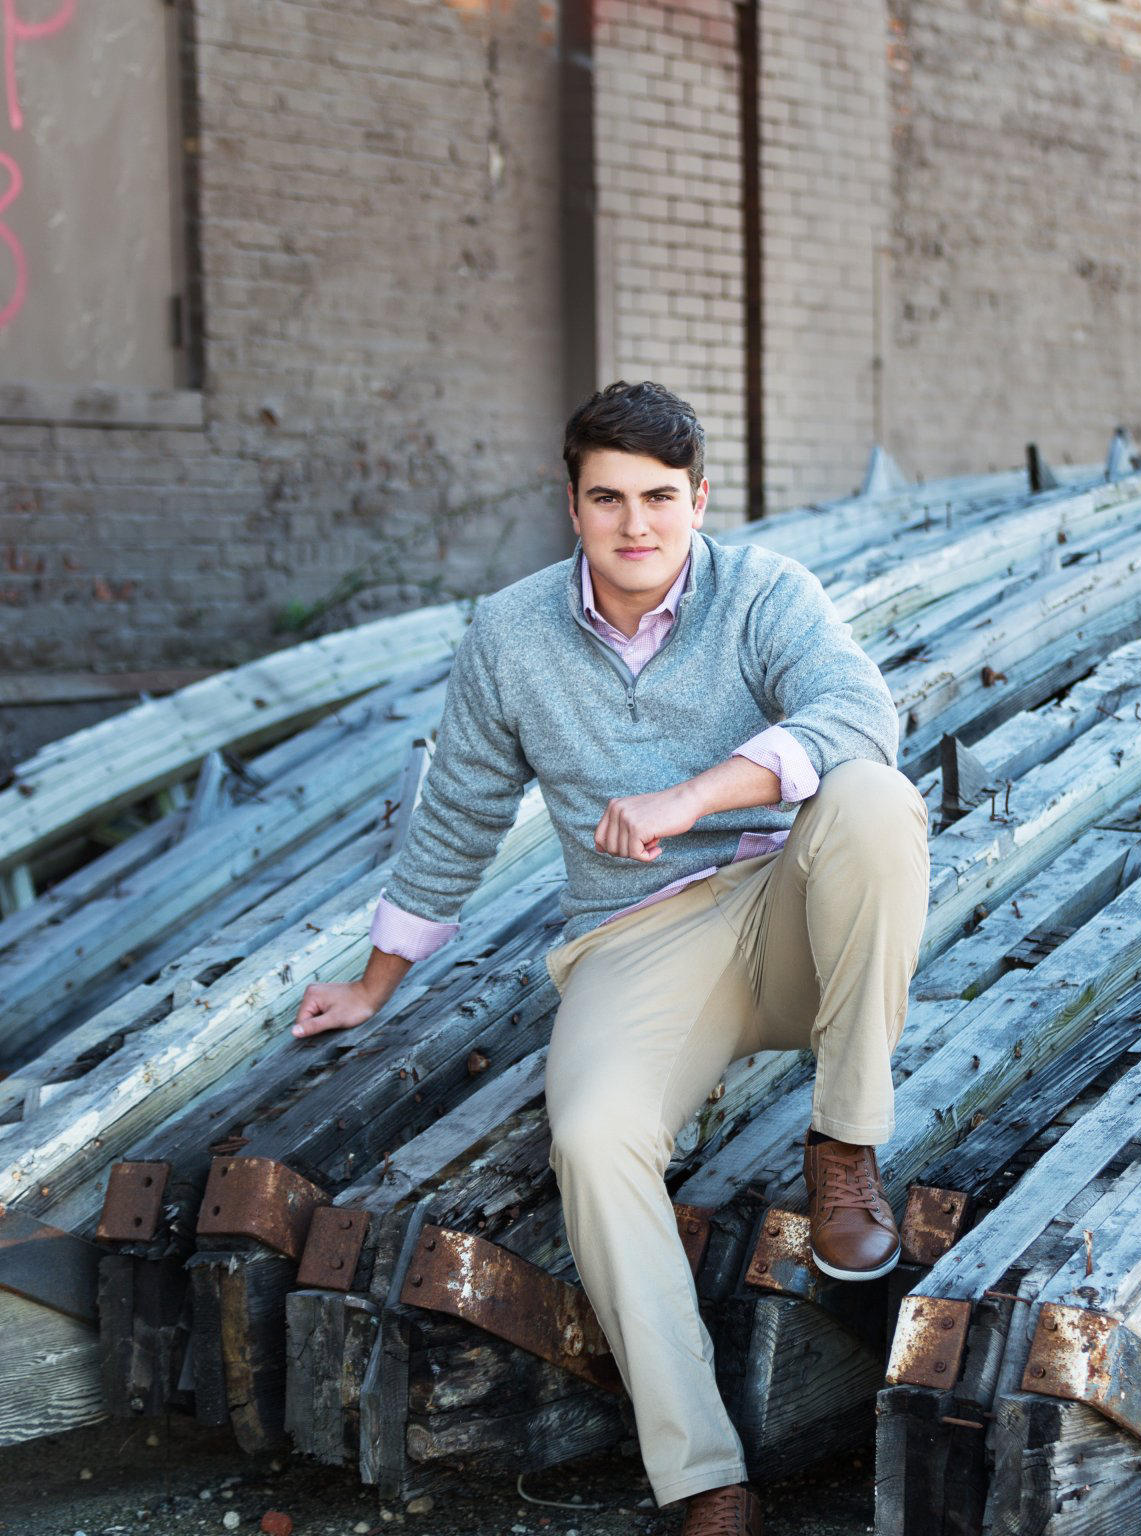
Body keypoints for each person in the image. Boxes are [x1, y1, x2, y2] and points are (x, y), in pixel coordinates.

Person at [290, 380, 931, 1536]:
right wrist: (376, 981)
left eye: (659, 498)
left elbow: (856, 716)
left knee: (876, 801)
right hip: (635, 939)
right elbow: (459, 812)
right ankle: (708, 1479)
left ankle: (844, 1146)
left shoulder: (763, 593)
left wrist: (692, 796)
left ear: (699, 500)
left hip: (785, 905)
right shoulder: (511, 633)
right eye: (608, 499)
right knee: (591, 1140)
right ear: (572, 503)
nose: (636, 525)